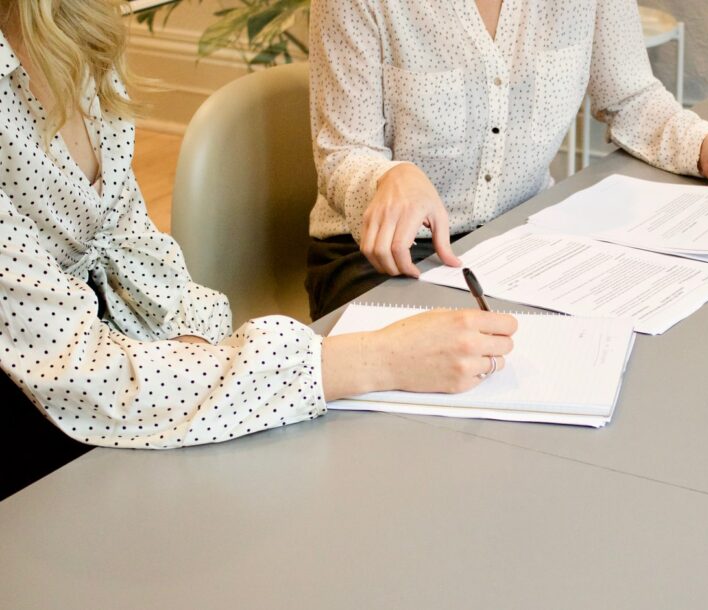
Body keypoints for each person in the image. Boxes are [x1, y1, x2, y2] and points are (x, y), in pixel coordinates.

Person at [0, 0, 516, 500]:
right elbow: (85, 374)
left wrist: (205, 354)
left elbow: (136, 255)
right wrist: (376, 360)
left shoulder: (75, 30)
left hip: (122, 386)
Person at [306, 0, 708, 319]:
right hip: (381, 257)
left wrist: (705, 145)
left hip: (520, 241)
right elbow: (343, 152)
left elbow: (630, 97)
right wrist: (389, 177)